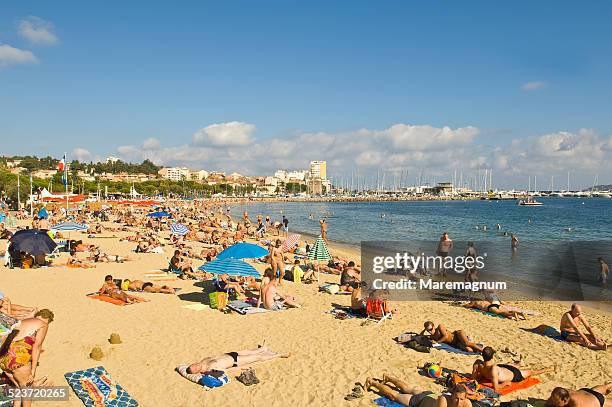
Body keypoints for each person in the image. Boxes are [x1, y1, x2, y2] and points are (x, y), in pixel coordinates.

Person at [0, 309, 54, 407]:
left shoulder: (23, 321)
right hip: (18, 360)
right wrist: (33, 370)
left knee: (19, 387)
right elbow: (37, 346)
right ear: (48, 320)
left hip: (3, 360)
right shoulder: (43, 324)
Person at [473, 347, 553, 393]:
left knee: (508, 365)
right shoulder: (493, 369)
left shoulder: (478, 363)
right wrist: (505, 383)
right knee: (531, 372)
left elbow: (473, 378)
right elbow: (496, 388)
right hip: (514, 375)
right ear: (492, 357)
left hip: (503, 369)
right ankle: (548, 369)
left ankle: (520, 364)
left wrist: (480, 376)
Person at [363, 375, 471, 407]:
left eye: (461, 399)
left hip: (429, 394)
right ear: (451, 395)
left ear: (465, 398)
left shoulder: (467, 404)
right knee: (394, 396)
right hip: (420, 401)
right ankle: (372, 382)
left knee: (406, 388)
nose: (458, 402)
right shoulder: (444, 400)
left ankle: (388, 378)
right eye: (456, 398)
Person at [186, 344, 290, 375]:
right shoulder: (210, 370)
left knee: (250, 351)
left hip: (230, 354)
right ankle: (279, 355)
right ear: (197, 372)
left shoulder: (203, 361)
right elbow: (227, 371)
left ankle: (263, 349)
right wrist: (242, 368)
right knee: (258, 358)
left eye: (193, 365)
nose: (195, 365)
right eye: (195, 368)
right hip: (236, 362)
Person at [546, 383, 612, 407]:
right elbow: (548, 403)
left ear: (564, 400)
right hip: (586, 391)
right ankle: (609, 385)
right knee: (600, 389)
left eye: (556, 402)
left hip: (597, 400)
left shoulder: (577, 405)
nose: (553, 402)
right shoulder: (562, 392)